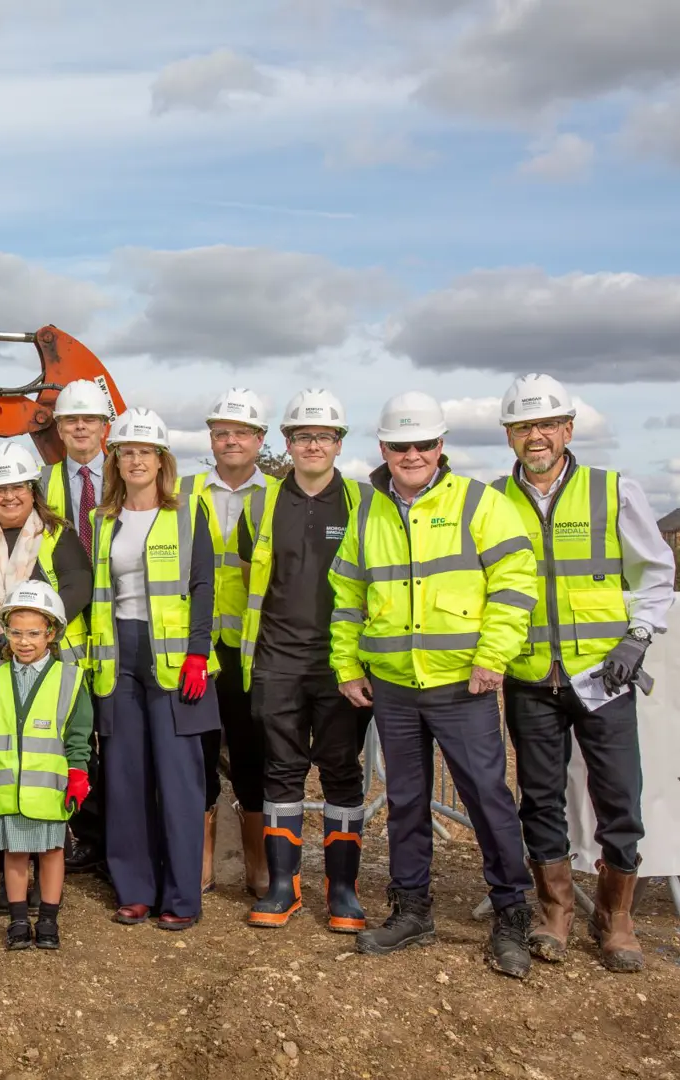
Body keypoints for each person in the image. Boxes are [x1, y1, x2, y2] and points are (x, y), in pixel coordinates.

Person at [331, 391, 539, 979]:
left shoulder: (480, 502)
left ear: (442, 446)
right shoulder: (368, 511)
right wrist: (347, 666)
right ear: (384, 449)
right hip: (393, 685)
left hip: (463, 687)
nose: (413, 454)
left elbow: (514, 584)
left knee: (488, 800)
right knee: (405, 803)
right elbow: (347, 595)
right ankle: (412, 907)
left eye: (424, 443)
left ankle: (511, 913)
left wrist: (492, 657)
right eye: (401, 445)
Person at [495, 373, 673, 972]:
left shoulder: (612, 490)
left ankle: (615, 917)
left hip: (605, 677)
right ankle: (555, 911)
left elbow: (655, 574)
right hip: (529, 677)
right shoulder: (493, 499)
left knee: (619, 797)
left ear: (568, 429)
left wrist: (638, 638)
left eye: (546, 424)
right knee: (540, 798)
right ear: (509, 436)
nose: (536, 436)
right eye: (523, 426)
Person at [237, 391, 370, 931]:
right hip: (278, 660)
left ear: (340, 443)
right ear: (286, 444)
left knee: (341, 772)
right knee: (282, 772)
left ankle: (342, 891)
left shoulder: (364, 502)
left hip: (342, 663)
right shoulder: (262, 504)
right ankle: (281, 887)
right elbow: (250, 582)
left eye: (324, 437)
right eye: (302, 437)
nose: (313, 445)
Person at [0, 441, 93, 913]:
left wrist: (34, 630)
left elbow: (78, 584)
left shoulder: (57, 535)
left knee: (45, 761)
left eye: (17, 487)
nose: (8, 496)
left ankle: (52, 861)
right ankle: (6, 873)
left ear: (33, 490)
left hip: (47, 665)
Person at [85, 408, 218, 931]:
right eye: (126, 450)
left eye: (145, 451)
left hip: (173, 663)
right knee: (123, 777)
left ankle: (181, 897)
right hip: (118, 658)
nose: (135, 459)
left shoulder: (188, 513)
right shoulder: (102, 520)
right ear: (114, 459)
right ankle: (135, 889)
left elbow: (204, 584)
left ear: (162, 460)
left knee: (179, 779)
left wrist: (198, 653)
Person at [0, 581, 93, 950]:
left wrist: (78, 773)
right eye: (16, 632)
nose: (24, 642)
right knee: (15, 853)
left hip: (50, 791)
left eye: (34, 634)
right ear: (5, 631)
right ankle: (19, 922)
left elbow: (78, 732)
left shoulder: (70, 679)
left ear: (51, 633)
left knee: (52, 853)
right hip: (8, 789)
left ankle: (49, 923)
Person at [182, 388, 272, 898]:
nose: (231, 441)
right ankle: (203, 856)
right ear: (211, 439)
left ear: (260, 439)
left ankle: (258, 862)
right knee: (196, 753)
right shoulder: (186, 490)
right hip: (193, 644)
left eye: (241, 432)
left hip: (249, 649)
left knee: (249, 753)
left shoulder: (277, 497)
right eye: (222, 433)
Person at [39, 378, 112, 876]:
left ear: (106, 426)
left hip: (112, 618)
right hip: (59, 622)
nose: (80, 426)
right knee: (69, 732)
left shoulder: (130, 474)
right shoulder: (40, 482)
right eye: (70, 419)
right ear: (58, 429)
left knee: (115, 735)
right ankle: (84, 835)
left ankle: (117, 835)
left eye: (88, 418)